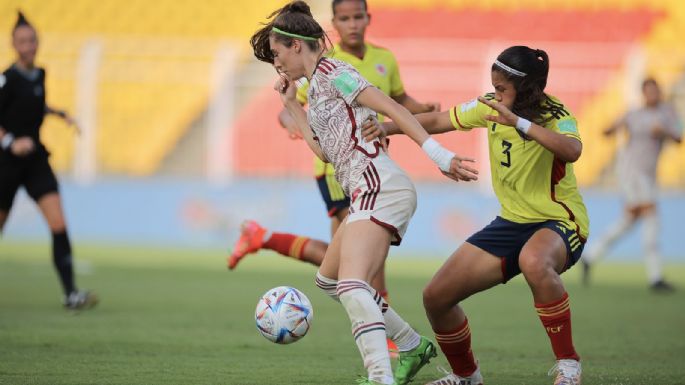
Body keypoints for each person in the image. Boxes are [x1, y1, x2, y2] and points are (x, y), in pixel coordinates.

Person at [249, 2, 478, 384]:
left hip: (379, 184)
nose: (276, 64)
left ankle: (379, 377)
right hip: (366, 190)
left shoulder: (336, 73)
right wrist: (291, 105)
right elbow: (325, 152)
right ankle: (409, 345)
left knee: (353, 284)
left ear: (296, 45)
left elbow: (393, 109)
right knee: (329, 281)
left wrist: (439, 155)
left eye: (276, 54)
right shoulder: (316, 87)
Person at [367, 46, 588, 385]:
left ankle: (568, 364)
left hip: (558, 220)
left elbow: (572, 150)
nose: (495, 95)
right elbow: (440, 120)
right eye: (494, 87)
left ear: (526, 87)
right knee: (436, 296)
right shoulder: (490, 107)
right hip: (511, 222)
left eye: (502, 89)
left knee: (534, 261)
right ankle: (466, 375)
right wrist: (388, 126)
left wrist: (519, 123)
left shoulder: (555, 112)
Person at [229, 0, 438, 311]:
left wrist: (420, 109)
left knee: (345, 258)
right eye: (344, 18)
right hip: (335, 170)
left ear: (369, 18)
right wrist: (292, 120)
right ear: (334, 24)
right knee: (364, 255)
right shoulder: (322, 62)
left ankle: (265, 237)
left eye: (358, 17)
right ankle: (391, 337)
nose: (352, 24)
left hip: (366, 165)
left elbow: (397, 98)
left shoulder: (384, 59)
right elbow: (296, 102)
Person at [0, 11, 97, 310]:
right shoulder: (7, 79)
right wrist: (10, 142)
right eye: (23, 41)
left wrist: (59, 114)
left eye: (32, 40)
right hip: (6, 163)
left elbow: (33, 105)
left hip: (35, 161)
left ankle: (70, 293)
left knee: (59, 223)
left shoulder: (40, 74)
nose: (29, 45)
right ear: (14, 45)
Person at [582, 78, 682, 292]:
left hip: (649, 174)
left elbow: (678, 137)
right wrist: (612, 128)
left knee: (630, 220)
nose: (652, 95)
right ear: (643, 94)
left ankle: (590, 256)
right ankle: (655, 277)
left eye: (655, 91)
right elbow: (607, 130)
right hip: (631, 172)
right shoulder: (634, 114)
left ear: (659, 92)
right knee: (651, 216)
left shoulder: (668, 113)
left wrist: (663, 131)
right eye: (648, 92)